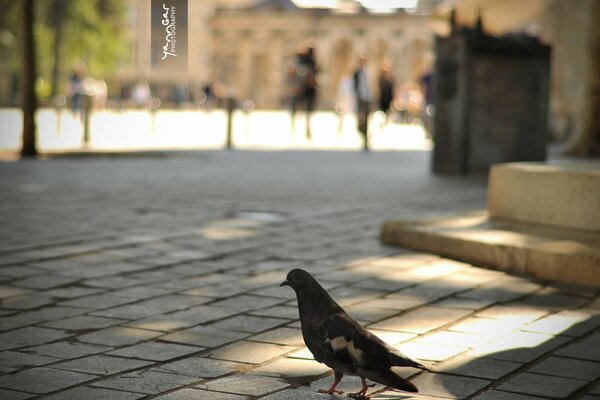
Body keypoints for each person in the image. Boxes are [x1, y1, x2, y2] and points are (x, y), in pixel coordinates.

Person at [353, 55, 371, 151]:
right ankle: (363, 135)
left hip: (366, 98)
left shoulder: (366, 73)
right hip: (360, 98)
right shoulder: (356, 73)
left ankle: (366, 140)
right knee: (361, 119)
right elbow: (354, 87)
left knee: (366, 119)